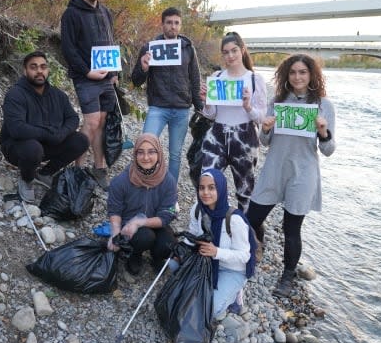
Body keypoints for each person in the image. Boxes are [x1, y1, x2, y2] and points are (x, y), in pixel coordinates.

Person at [246, 53, 336, 297]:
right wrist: (264, 129)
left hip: (303, 173)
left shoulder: (323, 105)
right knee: (250, 219)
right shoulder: (278, 102)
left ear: (311, 75)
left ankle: (287, 275)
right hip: (275, 168)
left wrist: (323, 131)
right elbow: (265, 142)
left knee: (291, 228)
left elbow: (328, 150)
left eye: (303, 72)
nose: (297, 77)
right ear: (287, 75)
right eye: (293, 72)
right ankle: (257, 245)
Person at [0, 50, 89, 202]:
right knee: (33, 149)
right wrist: (47, 134)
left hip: (48, 144)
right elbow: (16, 129)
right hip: (18, 147)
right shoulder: (15, 95)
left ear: (47, 70)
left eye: (43, 67)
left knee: (81, 140)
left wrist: (62, 133)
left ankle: (45, 173)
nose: (39, 71)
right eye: (33, 67)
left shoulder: (58, 95)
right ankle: (26, 180)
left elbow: (72, 118)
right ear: (25, 70)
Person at [131, 7, 203, 187]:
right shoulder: (149, 48)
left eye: (176, 23)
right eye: (169, 23)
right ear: (162, 24)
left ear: (180, 25)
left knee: (175, 154)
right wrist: (143, 68)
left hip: (181, 109)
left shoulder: (188, 49)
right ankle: (145, 186)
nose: (173, 26)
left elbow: (194, 79)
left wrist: (200, 107)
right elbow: (136, 81)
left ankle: (170, 192)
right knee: (145, 145)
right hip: (158, 107)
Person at [60, 0, 117, 190]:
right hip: (85, 78)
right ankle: (77, 169)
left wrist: (114, 73)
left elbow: (111, 42)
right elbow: (68, 48)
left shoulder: (106, 13)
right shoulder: (71, 14)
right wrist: (86, 72)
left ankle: (99, 167)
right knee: (91, 122)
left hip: (106, 78)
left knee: (101, 122)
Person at [198, 32, 267, 211]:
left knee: (245, 190)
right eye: (226, 52)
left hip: (245, 137)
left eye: (234, 50)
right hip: (217, 135)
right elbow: (211, 114)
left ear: (242, 50)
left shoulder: (254, 79)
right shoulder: (218, 77)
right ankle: (210, 228)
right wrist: (206, 101)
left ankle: (245, 232)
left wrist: (247, 106)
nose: (230, 56)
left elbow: (261, 118)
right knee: (208, 183)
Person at [185, 168, 257, 318]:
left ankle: (235, 295)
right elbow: (192, 234)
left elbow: (245, 256)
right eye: (202, 188)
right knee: (174, 267)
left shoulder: (234, 220)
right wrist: (181, 249)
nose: (205, 193)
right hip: (206, 260)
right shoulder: (197, 210)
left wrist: (217, 252)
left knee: (210, 309)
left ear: (221, 188)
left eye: (212, 188)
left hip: (232, 269)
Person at [106, 133, 177, 275]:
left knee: (169, 244)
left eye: (151, 152)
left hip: (154, 222)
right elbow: (114, 210)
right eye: (141, 152)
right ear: (135, 155)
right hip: (129, 226)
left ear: (159, 154)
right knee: (145, 237)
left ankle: (156, 258)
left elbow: (167, 215)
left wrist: (140, 222)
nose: (145, 158)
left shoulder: (168, 180)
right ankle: (135, 254)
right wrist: (115, 233)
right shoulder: (121, 181)